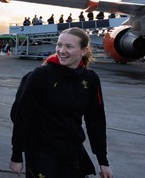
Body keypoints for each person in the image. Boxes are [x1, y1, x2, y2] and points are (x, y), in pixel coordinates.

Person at [10, 27, 113, 178]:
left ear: (83, 51)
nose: (61, 50)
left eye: (69, 46)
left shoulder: (90, 79)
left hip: (72, 152)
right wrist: (17, 155)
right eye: (59, 45)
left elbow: (96, 120)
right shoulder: (41, 75)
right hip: (41, 153)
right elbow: (21, 115)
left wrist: (103, 160)